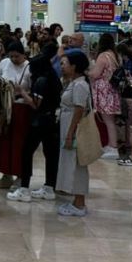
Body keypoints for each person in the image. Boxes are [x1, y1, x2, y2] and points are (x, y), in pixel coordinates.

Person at [9, 48, 62, 203]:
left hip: (40, 122)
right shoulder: (54, 79)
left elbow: (35, 104)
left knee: (26, 152)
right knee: (51, 154)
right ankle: (49, 187)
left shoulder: (40, 81)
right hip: (53, 121)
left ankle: (24, 188)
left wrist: (22, 92)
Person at [57, 51, 92, 217]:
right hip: (67, 125)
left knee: (77, 165)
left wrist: (70, 133)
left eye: (65, 63)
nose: (62, 67)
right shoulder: (73, 82)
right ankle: (76, 201)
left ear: (74, 66)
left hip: (74, 128)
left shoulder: (80, 85)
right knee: (71, 164)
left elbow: (79, 109)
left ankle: (79, 203)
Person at [0, 41, 31, 191]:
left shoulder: (29, 67)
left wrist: (20, 91)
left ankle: (20, 176)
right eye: (11, 56)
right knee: (4, 142)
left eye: (17, 56)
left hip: (22, 108)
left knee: (19, 144)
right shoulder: (4, 63)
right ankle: (6, 174)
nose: (14, 59)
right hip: (5, 107)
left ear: (23, 54)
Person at [88, 33, 122, 159]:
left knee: (108, 120)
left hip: (104, 91)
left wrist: (88, 72)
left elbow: (96, 74)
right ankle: (111, 144)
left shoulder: (103, 56)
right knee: (110, 120)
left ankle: (113, 147)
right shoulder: (114, 55)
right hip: (111, 90)